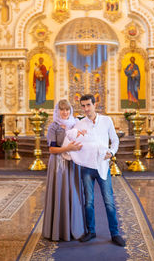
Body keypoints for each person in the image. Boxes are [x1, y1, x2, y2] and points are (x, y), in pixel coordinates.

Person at [74, 94, 126, 247]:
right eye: (83, 106)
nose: (85, 109)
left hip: (103, 166)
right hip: (87, 168)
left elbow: (115, 139)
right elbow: (74, 141)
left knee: (109, 201)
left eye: (88, 105)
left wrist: (112, 151)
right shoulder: (80, 124)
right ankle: (91, 231)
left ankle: (115, 233)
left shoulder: (106, 120)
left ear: (95, 105)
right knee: (88, 202)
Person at [42, 99, 85, 241]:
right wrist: (67, 149)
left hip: (72, 162)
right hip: (58, 164)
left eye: (67, 110)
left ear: (70, 111)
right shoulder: (53, 127)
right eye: (62, 110)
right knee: (60, 193)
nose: (65, 112)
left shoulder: (75, 124)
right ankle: (58, 230)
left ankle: (74, 228)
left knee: (73, 193)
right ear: (57, 111)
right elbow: (52, 149)